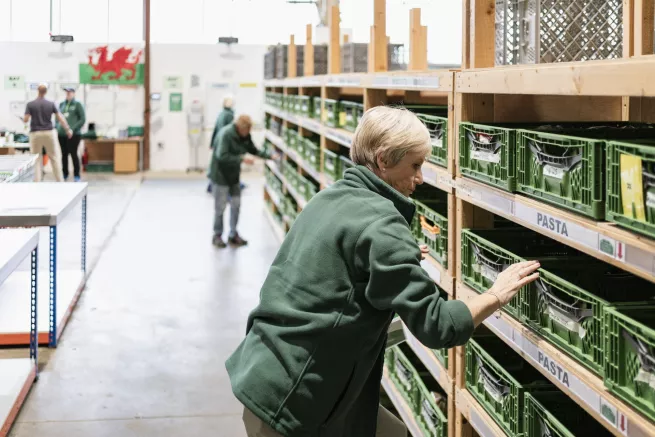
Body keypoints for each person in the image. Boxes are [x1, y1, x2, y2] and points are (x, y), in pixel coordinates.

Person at [225, 107, 541, 437]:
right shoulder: (382, 223)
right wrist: (495, 294)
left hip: (269, 370)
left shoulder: (330, 198)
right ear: (384, 160)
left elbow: (343, 270)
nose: (420, 178)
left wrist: (388, 259)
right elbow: (438, 326)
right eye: (415, 165)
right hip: (295, 400)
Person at [209, 115, 275, 248]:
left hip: (233, 176)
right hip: (220, 176)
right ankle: (217, 235)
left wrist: (269, 156)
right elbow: (221, 156)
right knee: (220, 207)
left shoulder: (245, 136)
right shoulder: (226, 135)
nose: (249, 132)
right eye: (247, 129)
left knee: (236, 205)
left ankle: (233, 234)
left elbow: (253, 149)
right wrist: (241, 159)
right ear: (240, 128)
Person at [24, 84, 72, 182]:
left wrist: (24, 119)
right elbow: (60, 118)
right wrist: (68, 129)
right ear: (46, 92)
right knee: (54, 157)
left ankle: (36, 182)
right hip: (49, 133)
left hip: (35, 133)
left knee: (36, 159)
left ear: (38, 91)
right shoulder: (51, 103)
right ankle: (60, 181)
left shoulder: (30, 104)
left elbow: (26, 119)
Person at [56, 87, 86, 182]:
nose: (68, 94)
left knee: (73, 154)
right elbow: (57, 118)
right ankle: (65, 173)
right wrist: (58, 127)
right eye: (67, 92)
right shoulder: (62, 104)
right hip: (62, 134)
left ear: (73, 93)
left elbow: (82, 119)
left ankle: (76, 175)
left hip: (74, 134)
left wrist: (72, 129)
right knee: (64, 154)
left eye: (70, 92)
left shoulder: (78, 104)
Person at [207, 96, 235, 193]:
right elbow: (229, 131)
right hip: (223, 144)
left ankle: (211, 184)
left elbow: (216, 129)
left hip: (217, 142)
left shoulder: (221, 114)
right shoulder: (229, 115)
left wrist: (212, 143)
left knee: (216, 165)